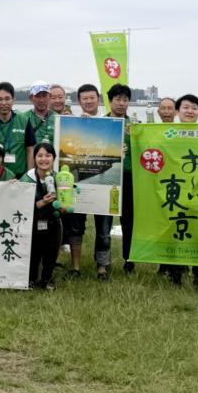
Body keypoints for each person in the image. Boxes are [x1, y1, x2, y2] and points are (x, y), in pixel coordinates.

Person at [64, 85, 115, 281]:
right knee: (76, 227)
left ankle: (102, 268)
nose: (88, 101)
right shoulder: (74, 123)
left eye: (92, 98)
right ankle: (75, 267)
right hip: (79, 181)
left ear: (99, 99)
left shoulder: (110, 124)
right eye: (84, 98)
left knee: (104, 229)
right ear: (79, 101)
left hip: (102, 185)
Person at [162, 94, 198, 288]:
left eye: (194, 108)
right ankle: (175, 275)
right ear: (177, 111)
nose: (190, 111)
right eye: (186, 107)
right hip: (175, 193)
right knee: (175, 233)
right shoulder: (168, 133)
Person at [21, 142, 63, 289]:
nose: (44, 159)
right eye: (39, 155)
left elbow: (65, 205)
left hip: (53, 221)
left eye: (48, 155)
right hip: (32, 222)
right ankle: (30, 280)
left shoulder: (60, 178)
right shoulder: (27, 178)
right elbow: (21, 205)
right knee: (33, 252)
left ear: (54, 158)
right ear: (34, 158)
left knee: (51, 252)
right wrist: (42, 202)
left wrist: (65, 205)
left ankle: (46, 279)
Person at [107, 84, 136, 275]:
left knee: (128, 221)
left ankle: (129, 260)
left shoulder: (135, 126)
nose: (121, 103)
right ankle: (102, 260)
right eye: (117, 99)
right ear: (110, 101)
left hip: (128, 177)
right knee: (104, 222)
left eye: (124, 99)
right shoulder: (100, 123)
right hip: (107, 176)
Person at [25, 81, 58, 166]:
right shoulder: (23, 118)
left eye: (44, 96)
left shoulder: (57, 118)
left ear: (50, 97)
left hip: (51, 166)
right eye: (38, 96)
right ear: (31, 98)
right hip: (30, 165)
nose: (41, 100)